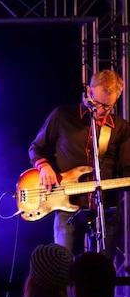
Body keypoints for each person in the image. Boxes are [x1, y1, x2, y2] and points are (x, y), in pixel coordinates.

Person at [29, 69, 130, 257]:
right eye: (98, 104)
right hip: (67, 207)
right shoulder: (62, 116)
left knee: (102, 271)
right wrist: (44, 167)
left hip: (105, 209)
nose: (102, 110)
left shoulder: (121, 128)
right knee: (64, 266)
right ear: (89, 92)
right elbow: (36, 148)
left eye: (108, 106)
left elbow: (126, 170)